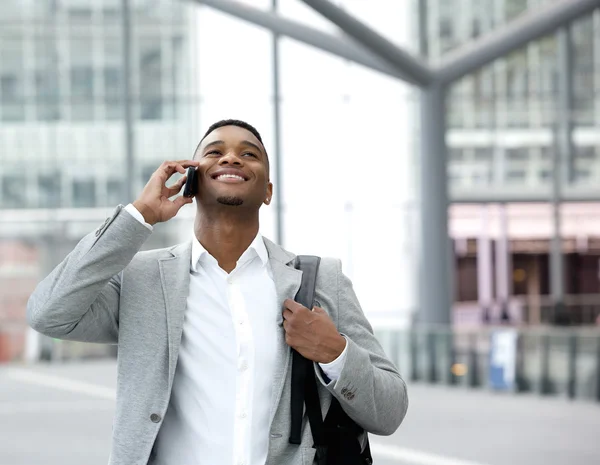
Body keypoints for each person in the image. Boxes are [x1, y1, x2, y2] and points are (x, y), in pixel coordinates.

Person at [27, 119, 408, 465]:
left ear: (268, 191)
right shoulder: (141, 278)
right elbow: (48, 312)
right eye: (214, 152)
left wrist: (335, 353)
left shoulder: (322, 279)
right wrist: (139, 215)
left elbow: (390, 411)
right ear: (191, 181)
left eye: (249, 153)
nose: (232, 158)